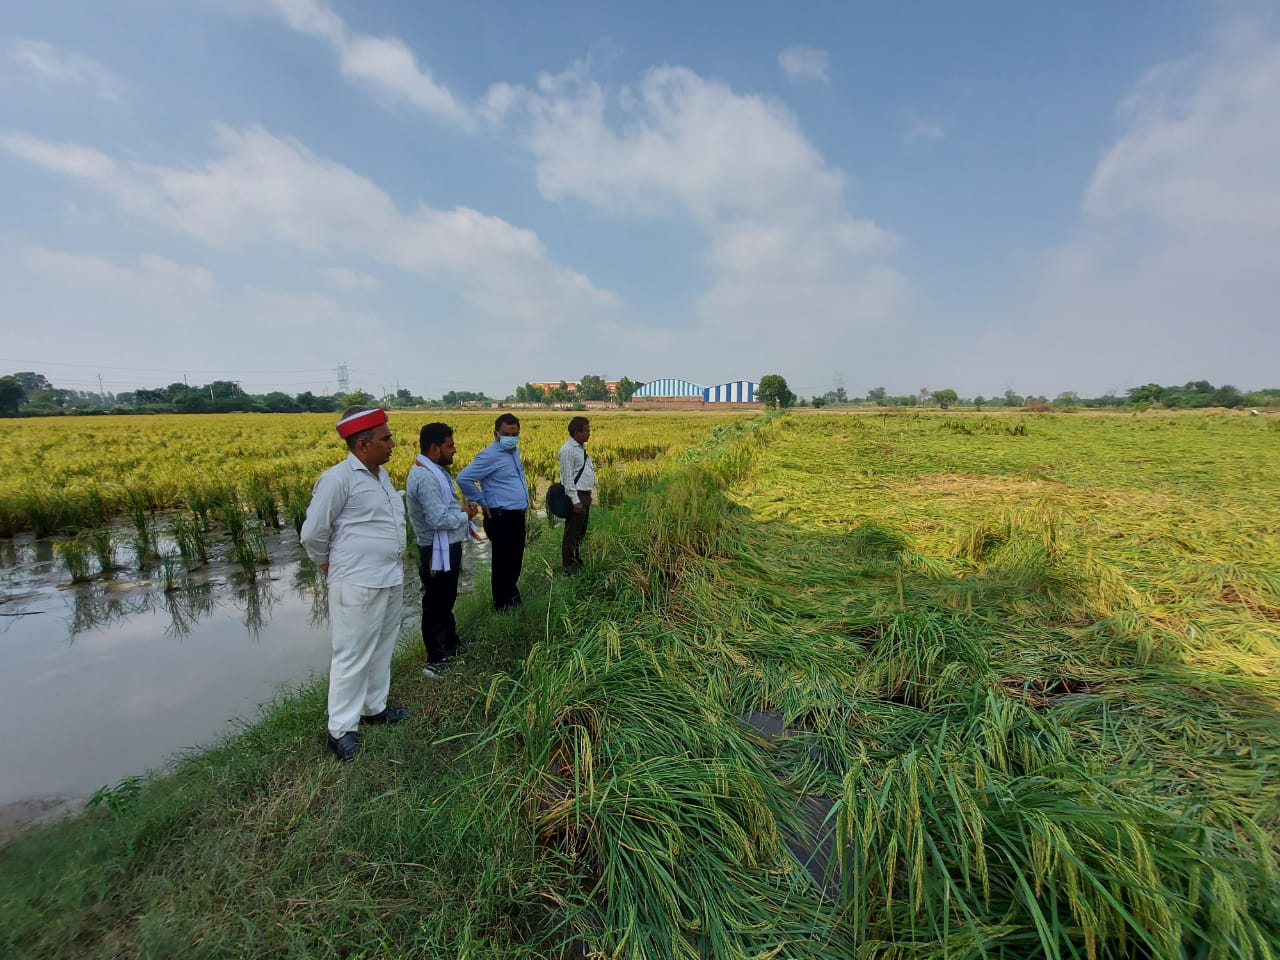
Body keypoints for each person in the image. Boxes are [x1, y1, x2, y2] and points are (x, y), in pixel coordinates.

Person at [300, 406, 409, 762]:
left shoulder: (383, 476)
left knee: (381, 646)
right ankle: (341, 730)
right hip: (357, 581)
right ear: (362, 445)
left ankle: (374, 708)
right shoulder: (338, 479)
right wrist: (325, 561)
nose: (392, 443)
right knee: (351, 654)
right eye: (385, 438)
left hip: (389, 576)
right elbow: (313, 532)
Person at [406, 422, 479, 676]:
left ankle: (451, 644)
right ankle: (435, 658)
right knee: (436, 602)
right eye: (450, 446)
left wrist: (461, 510)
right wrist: (465, 516)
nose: (454, 451)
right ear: (435, 448)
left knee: (446, 599)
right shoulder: (426, 477)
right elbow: (437, 520)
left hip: (446, 546)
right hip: (436, 549)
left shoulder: (435, 471)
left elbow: (444, 509)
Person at [457, 413, 528, 611]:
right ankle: (502, 604)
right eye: (506, 434)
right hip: (500, 516)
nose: (511, 438)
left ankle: (512, 595)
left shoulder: (514, 452)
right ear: (496, 433)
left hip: (516, 515)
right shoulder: (489, 455)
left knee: (515, 559)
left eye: (514, 434)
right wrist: (482, 500)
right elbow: (464, 478)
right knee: (503, 562)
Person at [557, 416, 596, 575]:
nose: (589, 433)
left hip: (584, 495)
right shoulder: (567, 450)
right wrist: (575, 500)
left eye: (589, 430)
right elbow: (567, 479)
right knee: (572, 532)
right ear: (575, 432)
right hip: (577, 496)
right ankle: (569, 566)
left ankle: (576, 559)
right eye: (586, 431)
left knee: (580, 531)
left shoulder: (579, 448)